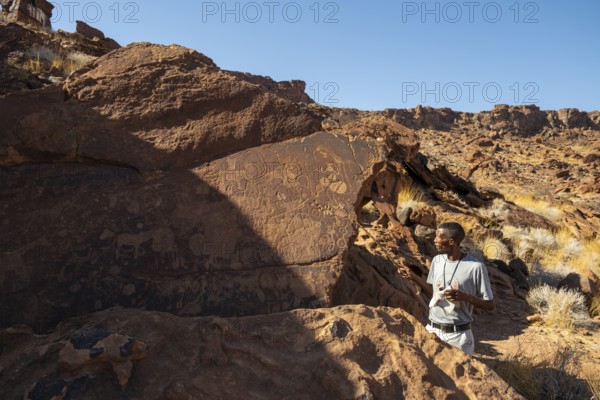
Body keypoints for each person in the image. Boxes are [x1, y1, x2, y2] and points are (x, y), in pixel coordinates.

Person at [426, 222, 494, 355]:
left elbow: (490, 305)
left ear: (451, 241)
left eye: (438, 237)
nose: (435, 240)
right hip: (432, 331)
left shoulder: (476, 267)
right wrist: (413, 277)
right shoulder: (437, 261)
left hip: (458, 336)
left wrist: (465, 297)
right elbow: (434, 294)